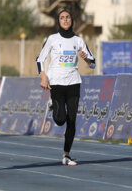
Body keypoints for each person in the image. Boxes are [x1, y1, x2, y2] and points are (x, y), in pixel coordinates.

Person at [36, 9, 95, 166]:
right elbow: (39, 59)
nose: (65, 20)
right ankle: (53, 106)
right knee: (61, 119)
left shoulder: (78, 40)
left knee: (72, 119)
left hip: (74, 82)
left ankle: (66, 154)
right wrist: (43, 77)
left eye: (68, 17)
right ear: (59, 21)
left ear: (72, 20)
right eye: (62, 18)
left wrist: (86, 59)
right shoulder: (52, 39)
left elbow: (93, 63)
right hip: (56, 82)